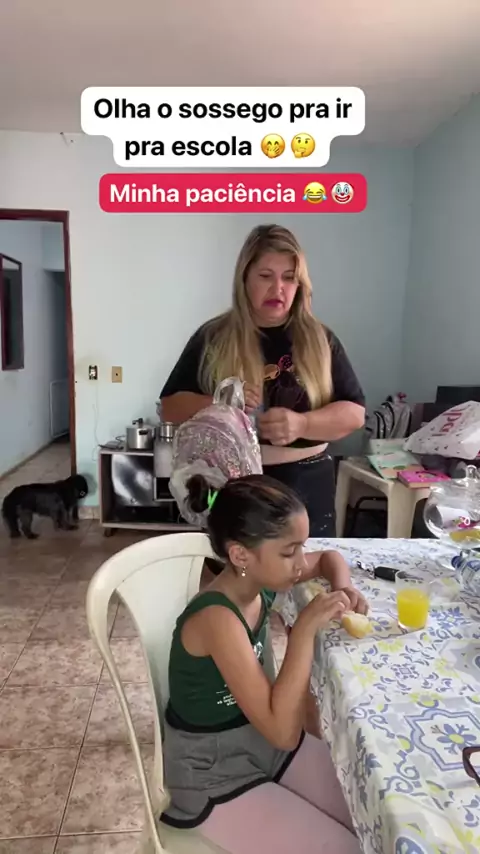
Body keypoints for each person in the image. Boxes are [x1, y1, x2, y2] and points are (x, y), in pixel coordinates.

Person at [161, 474, 366, 853]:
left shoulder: (260, 579)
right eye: (289, 553)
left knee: (366, 809)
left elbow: (329, 559)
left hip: (261, 741)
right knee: (343, 848)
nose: (300, 563)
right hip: (213, 772)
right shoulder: (217, 618)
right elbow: (284, 733)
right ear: (241, 556)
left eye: (301, 547)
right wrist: (303, 630)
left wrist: (344, 586)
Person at [160, 224, 365, 538]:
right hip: (230, 487)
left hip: (308, 485)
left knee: (307, 569)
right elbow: (170, 407)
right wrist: (222, 403)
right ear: (245, 279)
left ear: (299, 284)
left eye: (289, 278)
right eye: (265, 276)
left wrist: (303, 424)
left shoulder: (322, 340)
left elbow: (355, 414)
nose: (278, 288)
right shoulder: (213, 337)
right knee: (235, 569)